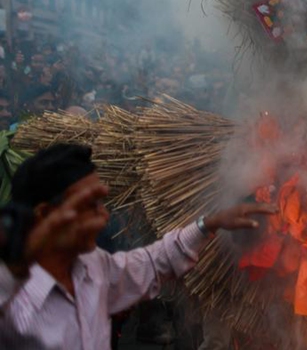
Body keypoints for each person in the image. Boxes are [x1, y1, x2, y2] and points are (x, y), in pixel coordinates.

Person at [0, 144, 277, 349]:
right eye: (90, 206)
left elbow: (152, 263)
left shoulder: (92, 267)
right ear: (46, 214)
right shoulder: (11, 296)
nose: (104, 216)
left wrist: (209, 223)